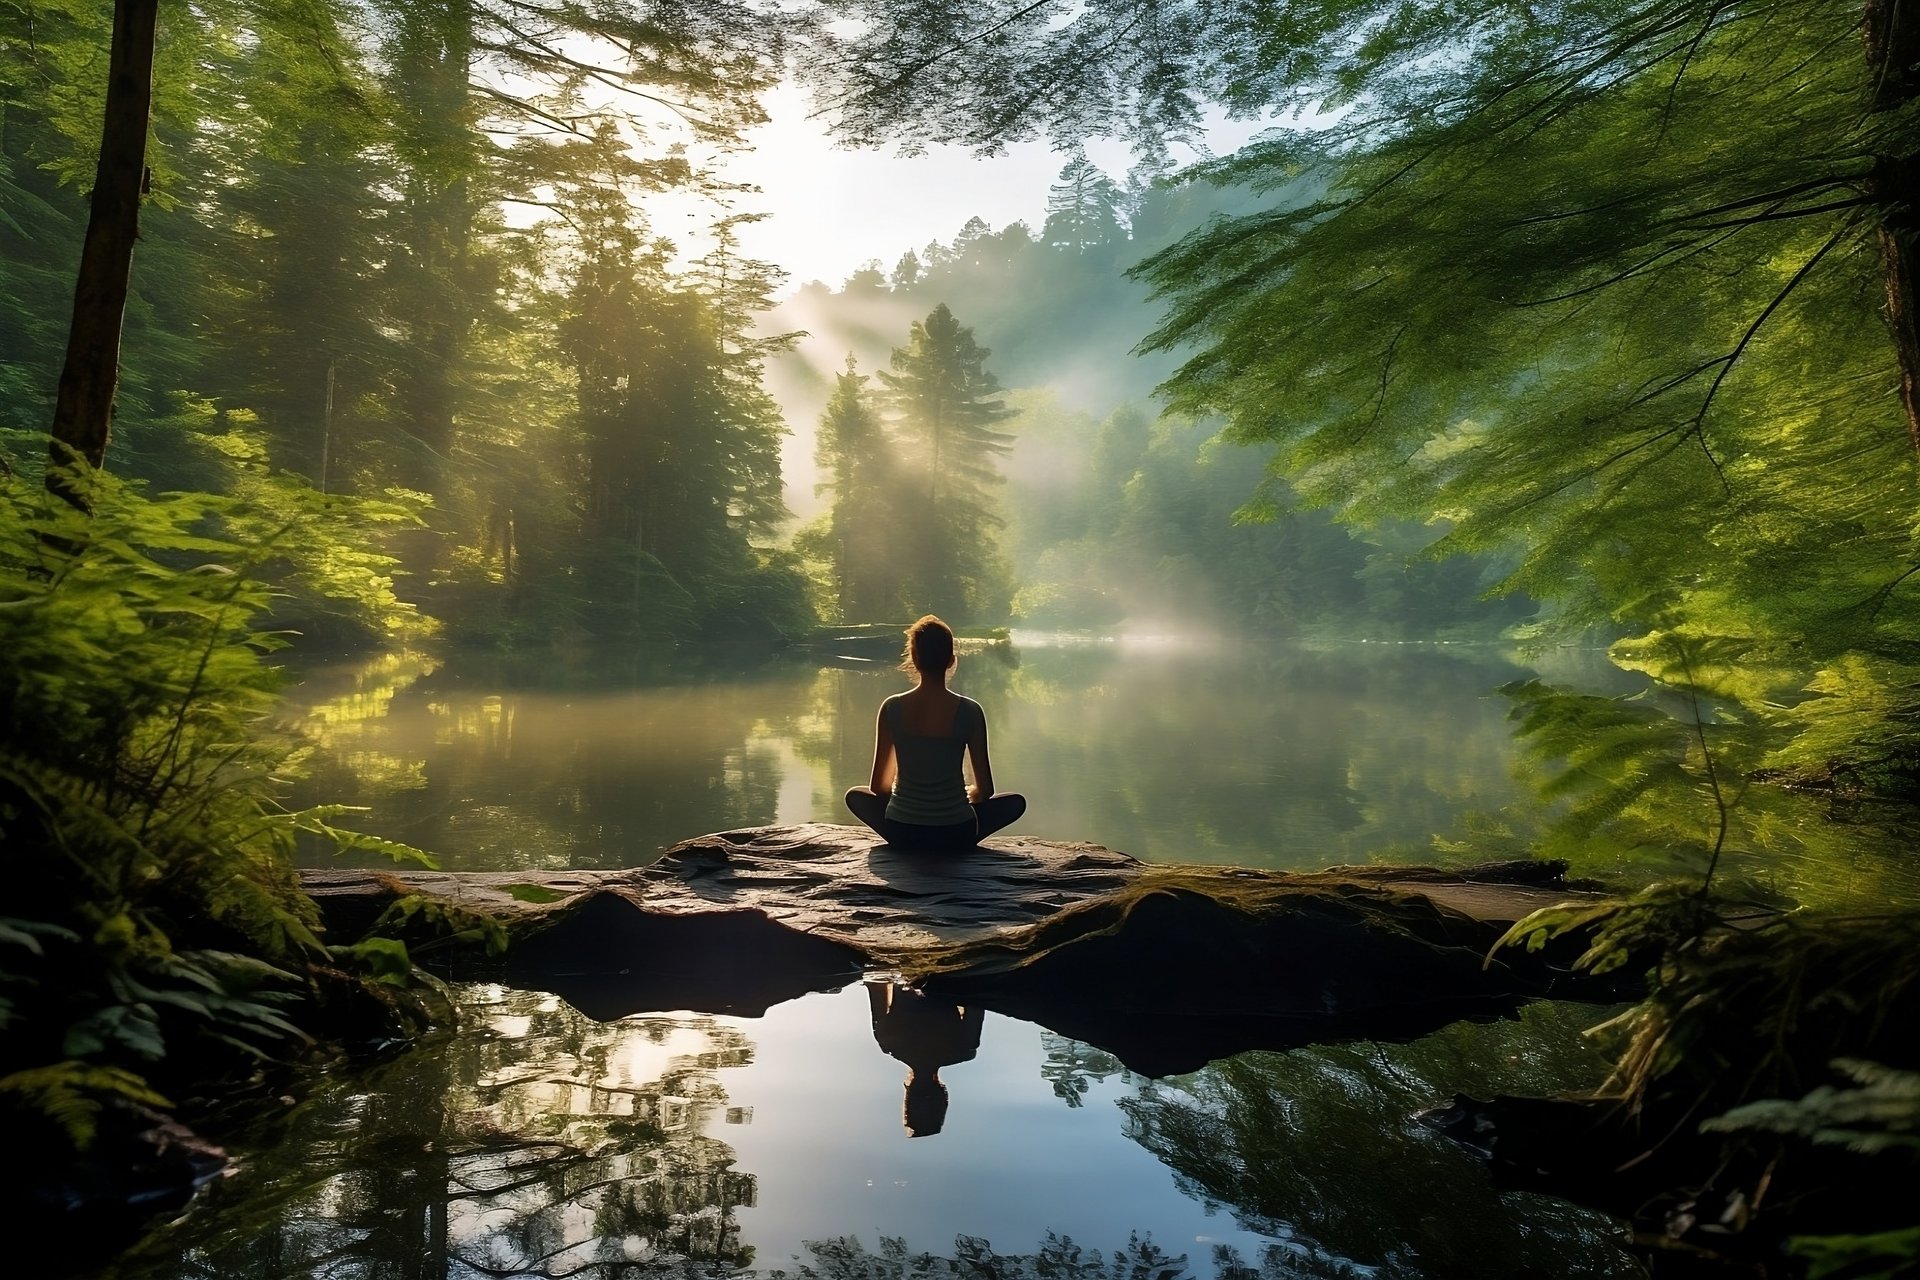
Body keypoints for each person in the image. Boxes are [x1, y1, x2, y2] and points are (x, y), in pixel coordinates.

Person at [843, 615, 1026, 851]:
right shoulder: (970, 711)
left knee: (855, 796)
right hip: (956, 832)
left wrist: (910, 802)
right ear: (951, 660)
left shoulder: (892, 707)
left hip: (902, 831)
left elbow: (879, 787)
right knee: (1014, 803)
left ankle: (911, 831)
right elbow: (985, 791)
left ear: (914, 659)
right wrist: (961, 796)